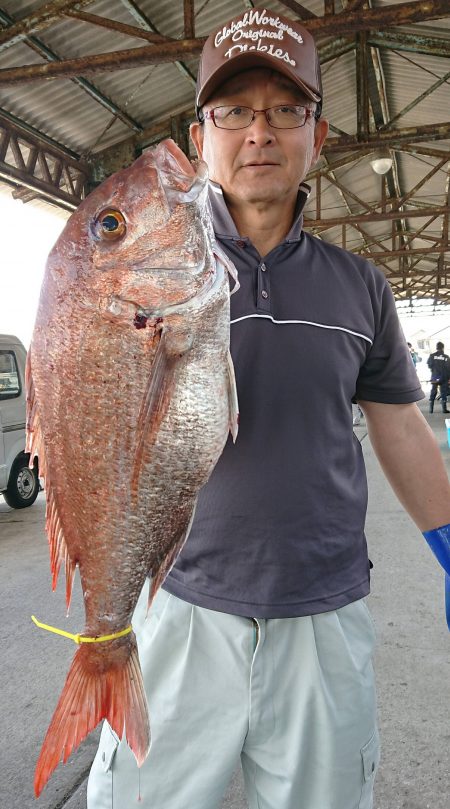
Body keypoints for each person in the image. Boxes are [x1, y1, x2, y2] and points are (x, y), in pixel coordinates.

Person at [88, 8, 450, 809]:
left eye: (287, 110)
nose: (261, 132)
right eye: (235, 112)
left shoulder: (360, 285)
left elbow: (399, 425)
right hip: (180, 604)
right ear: (201, 134)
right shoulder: (149, 271)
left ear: (316, 137)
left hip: (324, 611)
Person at [427, 341, 450, 413]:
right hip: (444, 377)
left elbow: (429, 365)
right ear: (443, 348)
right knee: (443, 392)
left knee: (433, 391)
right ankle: (444, 409)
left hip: (435, 376)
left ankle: (431, 409)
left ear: (436, 348)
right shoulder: (446, 357)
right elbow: (449, 367)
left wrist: (434, 371)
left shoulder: (432, 356)